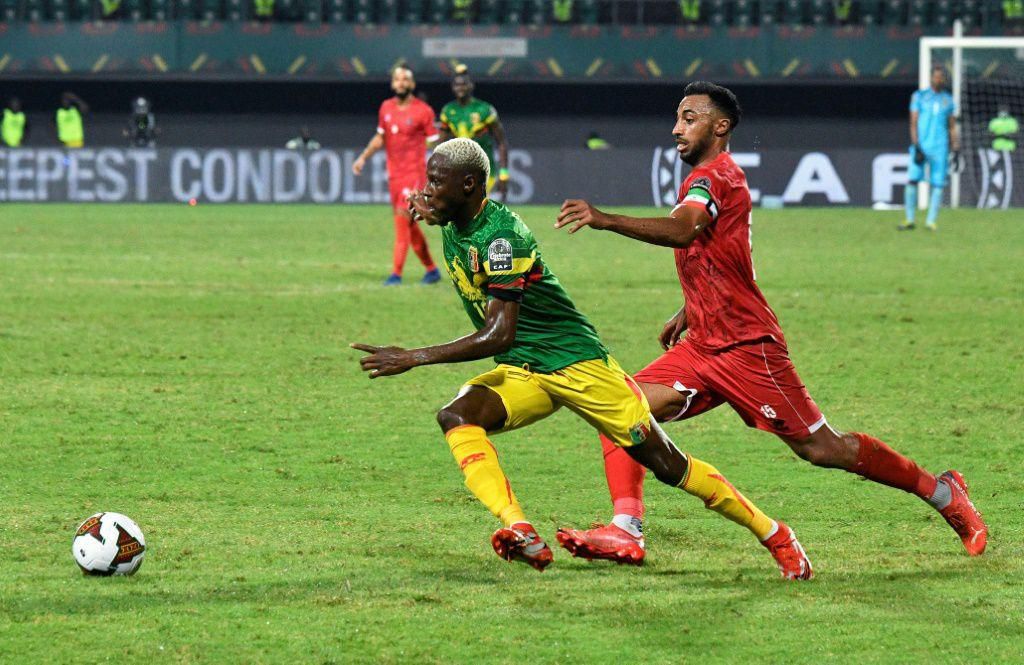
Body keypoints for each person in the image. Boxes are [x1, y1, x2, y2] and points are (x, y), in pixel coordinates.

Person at [552, 81, 987, 566]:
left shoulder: (714, 177)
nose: (676, 128)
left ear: (720, 127)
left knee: (822, 448)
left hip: (747, 347)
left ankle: (942, 493)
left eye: (689, 118)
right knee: (619, 409)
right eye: (677, 118)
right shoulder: (716, 176)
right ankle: (625, 530)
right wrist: (690, 308)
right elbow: (729, 254)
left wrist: (606, 219)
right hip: (704, 344)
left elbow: (684, 230)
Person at [352, 138, 814, 580]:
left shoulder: (501, 239)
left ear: (469, 185)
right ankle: (520, 529)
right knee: (457, 416)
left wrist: (413, 356)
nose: (427, 189)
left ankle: (775, 533)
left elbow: (498, 334)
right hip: (527, 369)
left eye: (437, 181)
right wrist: (432, 208)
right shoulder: (456, 219)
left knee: (667, 464)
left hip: (576, 363)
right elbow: (446, 218)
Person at [352, 66, 441, 287]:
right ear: (393, 84)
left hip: (414, 175)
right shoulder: (386, 108)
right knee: (410, 226)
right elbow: (380, 138)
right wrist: (363, 157)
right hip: (395, 177)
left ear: (412, 84)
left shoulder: (423, 111)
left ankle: (396, 274)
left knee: (402, 223)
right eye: (397, 79)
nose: (401, 82)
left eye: (405, 79)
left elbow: (436, 143)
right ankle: (432, 270)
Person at [438, 66, 510, 200]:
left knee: (477, 208)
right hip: (459, 172)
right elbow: (441, 146)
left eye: (464, 84)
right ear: (452, 87)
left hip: (484, 170)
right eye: (457, 85)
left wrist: (504, 173)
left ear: (471, 86)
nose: (460, 88)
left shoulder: (485, 110)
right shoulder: (448, 111)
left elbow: (501, 142)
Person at [900, 66, 958, 231]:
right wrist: (916, 144)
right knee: (912, 180)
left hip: (940, 147)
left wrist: (955, 146)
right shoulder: (919, 96)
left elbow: (952, 126)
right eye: (936, 76)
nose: (939, 80)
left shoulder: (948, 100)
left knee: (937, 184)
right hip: (921, 145)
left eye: (941, 77)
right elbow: (913, 122)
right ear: (931, 78)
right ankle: (909, 219)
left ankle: (931, 221)